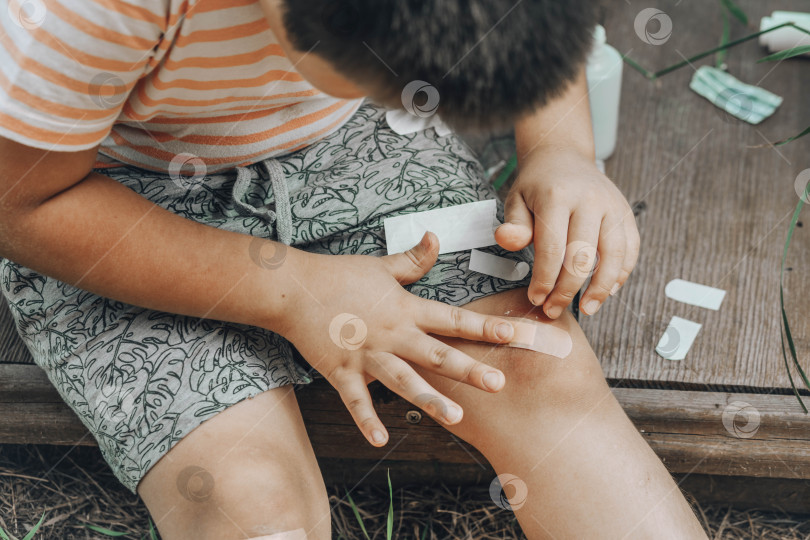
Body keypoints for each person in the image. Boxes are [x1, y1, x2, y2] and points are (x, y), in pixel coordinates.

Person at [0, 0, 707, 537]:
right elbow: (22, 204)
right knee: (245, 497)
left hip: (351, 148)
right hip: (112, 201)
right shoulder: (83, 14)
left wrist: (562, 149)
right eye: (406, 87)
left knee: (534, 362)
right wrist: (291, 290)